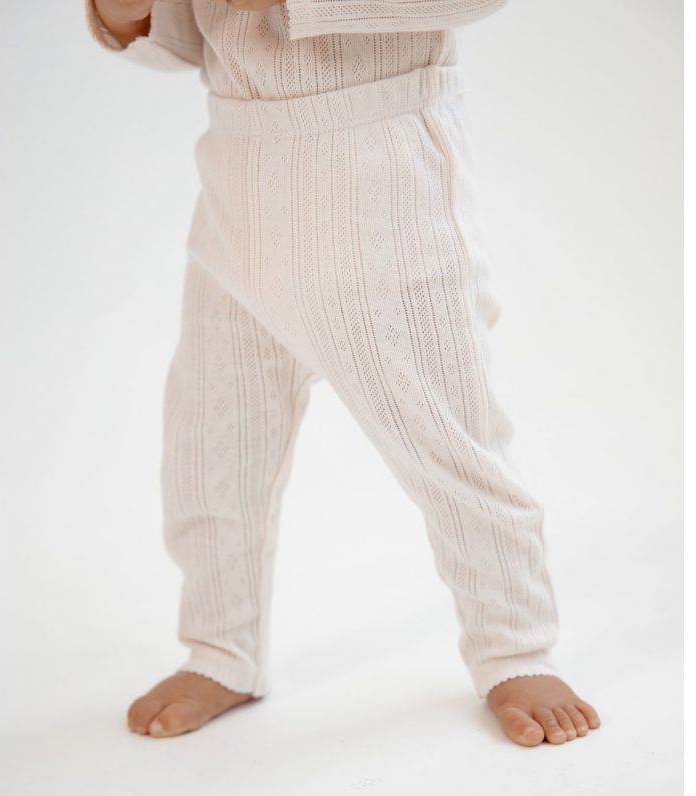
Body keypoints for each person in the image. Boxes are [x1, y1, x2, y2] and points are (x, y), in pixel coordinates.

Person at [85, 0, 601, 747]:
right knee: (211, 443)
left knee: (447, 440)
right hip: (236, 183)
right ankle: (221, 647)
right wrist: (130, 13)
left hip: (377, 174)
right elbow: (186, 44)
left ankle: (514, 646)